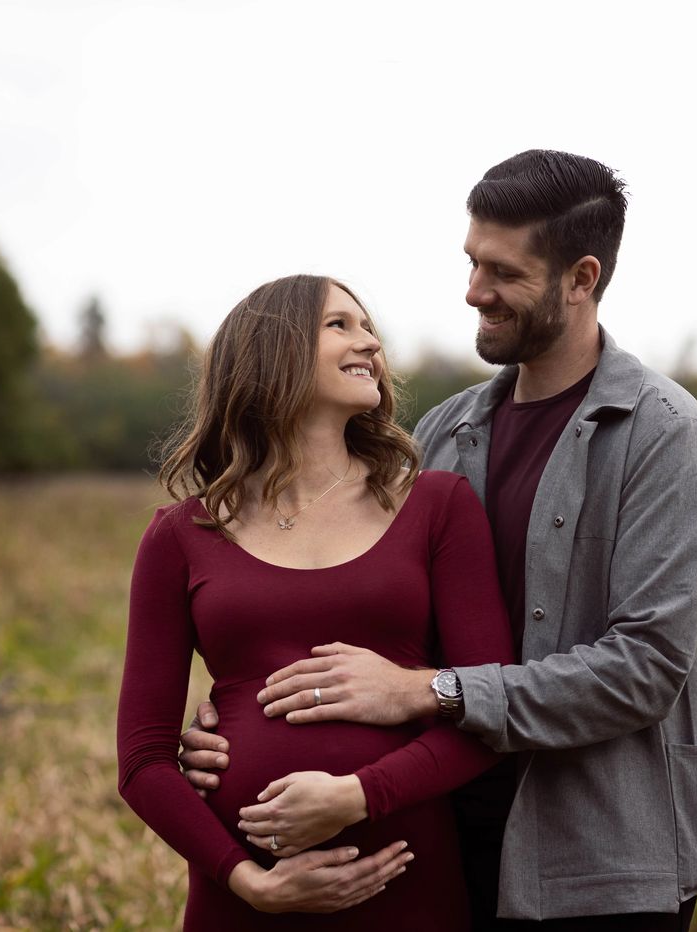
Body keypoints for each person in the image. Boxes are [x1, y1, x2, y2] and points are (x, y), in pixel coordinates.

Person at [181, 151, 697, 930]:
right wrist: (235, 715)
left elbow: (643, 671)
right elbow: (369, 619)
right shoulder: (440, 435)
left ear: (580, 279)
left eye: (502, 273)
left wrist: (430, 691)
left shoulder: (665, 437)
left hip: (604, 862)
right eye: (472, 262)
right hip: (450, 836)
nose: (473, 291)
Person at [116, 274, 514, 930]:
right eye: (341, 325)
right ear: (272, 348)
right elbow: (142, 761)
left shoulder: (437, 505)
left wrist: (358, 796)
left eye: (370, 329)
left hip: (401, 878)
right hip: (242, 895)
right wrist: (247, 881)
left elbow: (488, 713)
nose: (370, 342)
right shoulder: (180, 535)